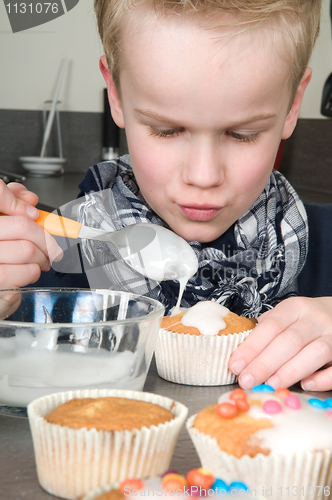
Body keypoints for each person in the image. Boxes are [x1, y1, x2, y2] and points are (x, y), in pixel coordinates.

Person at [1, 0, 331, 392]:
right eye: (166, 130)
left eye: (242, 134)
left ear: (293, 104)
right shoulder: (45, 267)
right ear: (117, 95)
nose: (203, 176)